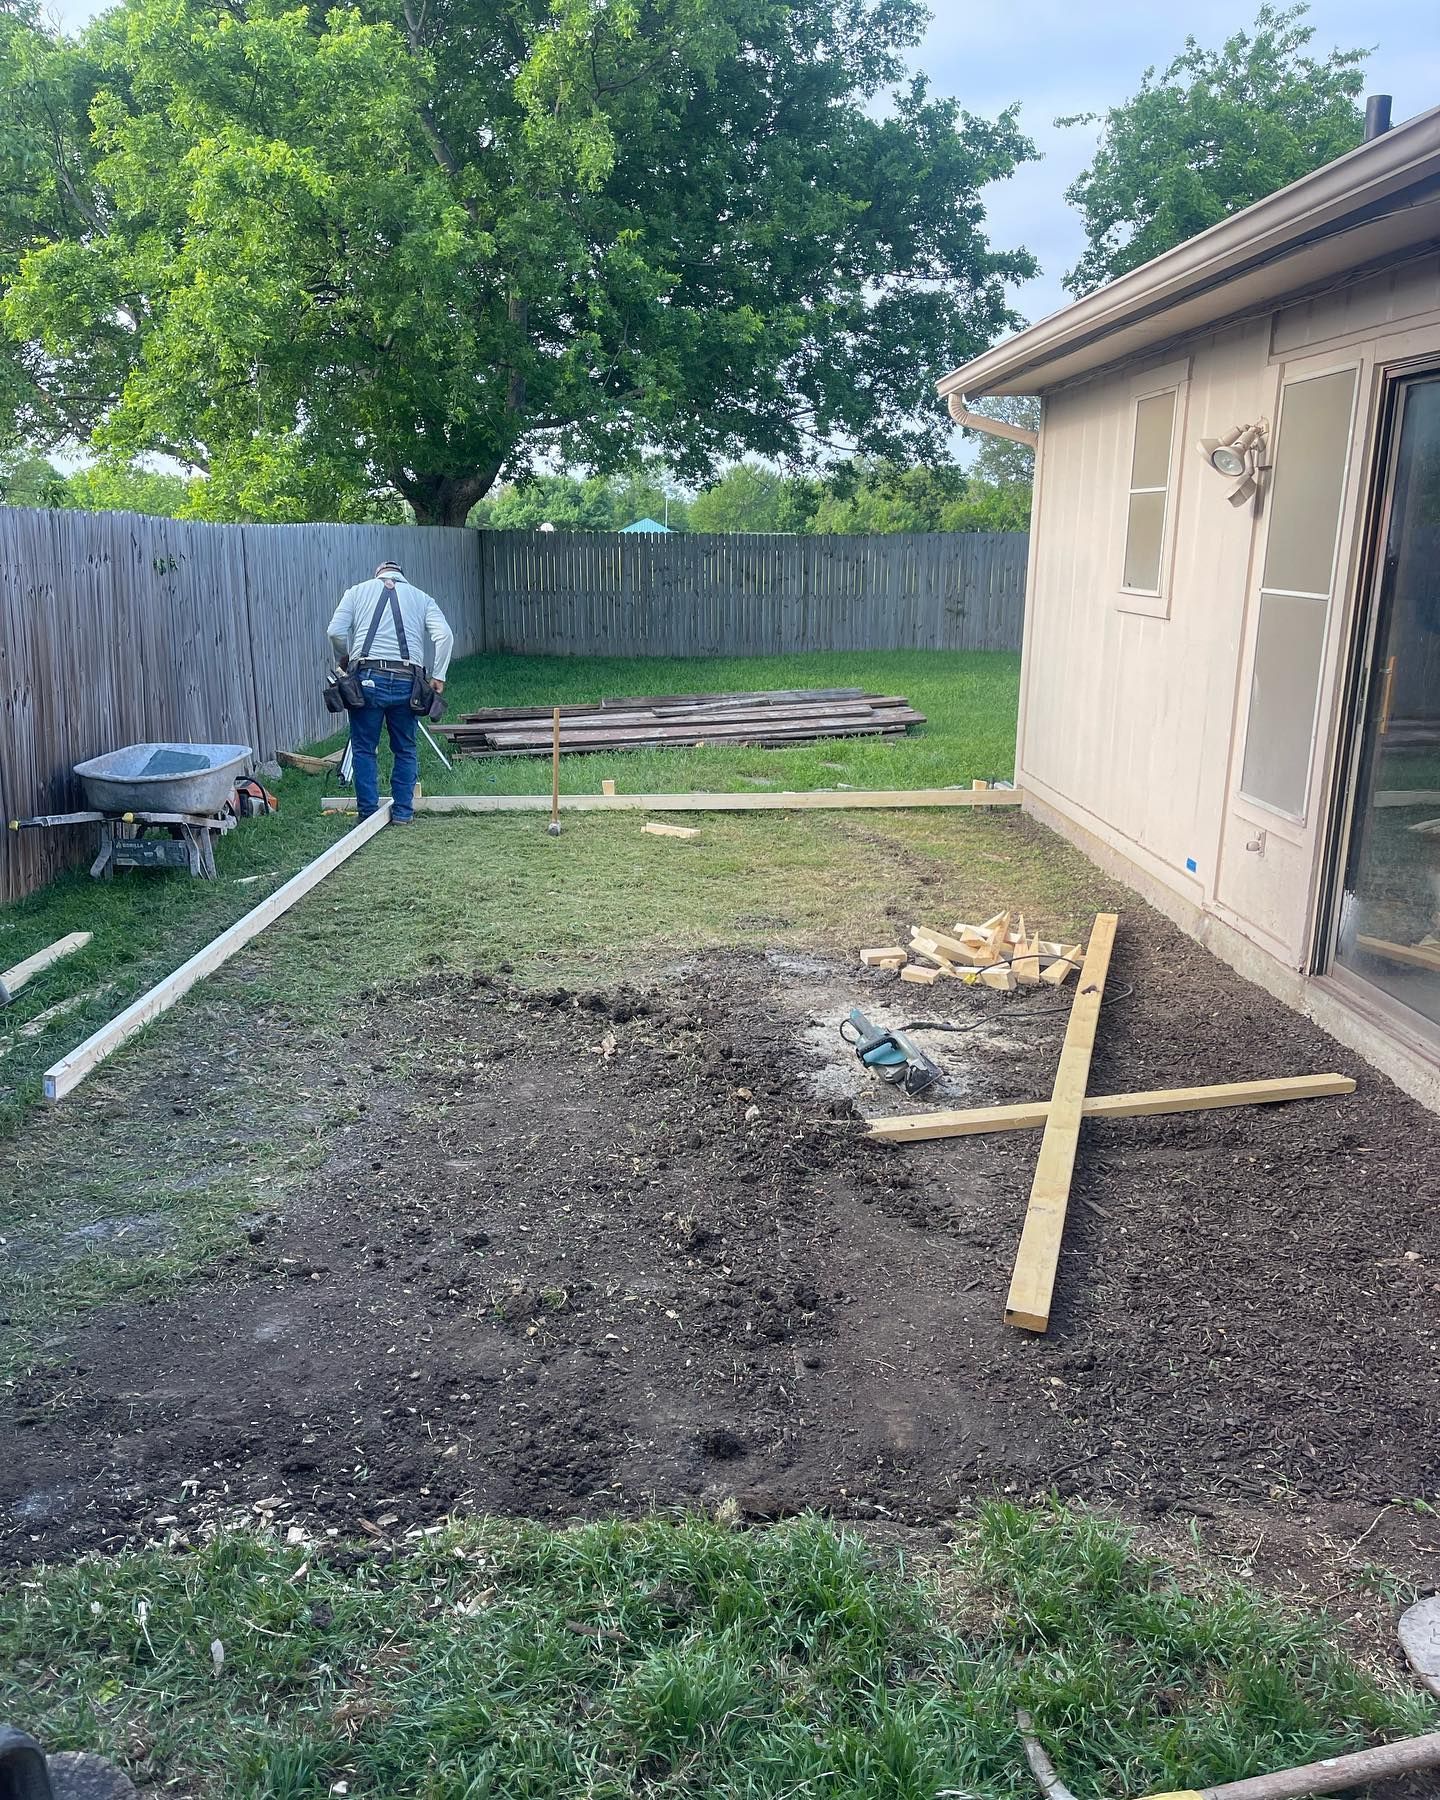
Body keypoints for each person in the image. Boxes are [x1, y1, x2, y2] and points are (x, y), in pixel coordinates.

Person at [327, 559, 454, 823]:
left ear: (378, 574)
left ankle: (368, 815)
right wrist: (439, 676)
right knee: (405, 748)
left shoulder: (356, 592)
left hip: (367, 679)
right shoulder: (422, 598)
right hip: (408, 682)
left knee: (364, 749)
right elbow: (445, 636)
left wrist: (344, 658)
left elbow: (335, 632)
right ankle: (403, 814)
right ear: (401, 575)